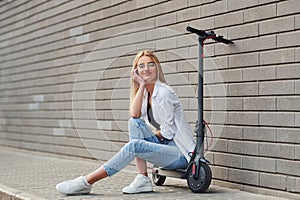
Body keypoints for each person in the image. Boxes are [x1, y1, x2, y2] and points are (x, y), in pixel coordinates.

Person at [56, 50, 195, 195]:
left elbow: (168, 133)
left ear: (157, 68)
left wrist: (146, 141)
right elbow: (135, 114)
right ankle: (142, 178)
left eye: (150, 65)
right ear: (136, 71)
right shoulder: (147, 92)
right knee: (134, 123)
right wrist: (141, 85)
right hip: (164, 147)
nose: (146, 69)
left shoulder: (164, 93)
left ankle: (87, 181)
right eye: (141, 66)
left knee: (136, 145)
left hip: (180, 153)